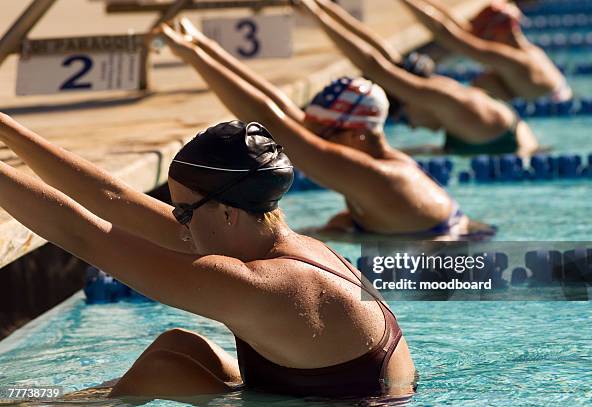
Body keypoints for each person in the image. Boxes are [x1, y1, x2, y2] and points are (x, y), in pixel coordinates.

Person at [0, 113, 417, 400]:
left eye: (183, 211)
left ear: (228, 212)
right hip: (322, 393)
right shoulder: (278, 244)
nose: (178, 222)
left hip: (341, 403)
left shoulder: (260, 285)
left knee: (163, 372)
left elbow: (85, 237)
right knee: (179, 348)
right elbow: (116, 199)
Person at [158, 20, 494, 238]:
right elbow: (279, 108)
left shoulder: (381, 177)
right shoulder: (364, 152)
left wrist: (191, 55)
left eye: (323, 133)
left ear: (358, 132)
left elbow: (272, 120)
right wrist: (200, 45)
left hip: (451, 265)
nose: (312, 139)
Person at [296, 0, 540, 156]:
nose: (411, 126)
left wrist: (316, 14)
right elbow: (383, 56)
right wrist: (320, 7)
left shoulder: (447, 99)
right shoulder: (447, 100)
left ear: (412, 97)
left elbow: (373, 66)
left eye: (403, 118)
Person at [398, 0, 572, 102]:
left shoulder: (512, 59)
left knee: (484, 82)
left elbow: (451, 37)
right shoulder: (530, 51)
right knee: (486, 81)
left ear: (498, 32)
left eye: (487, 35)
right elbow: (462, 31)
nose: (485, 40)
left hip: (545, 111)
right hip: (554, 105)